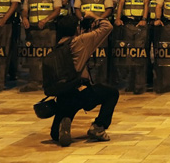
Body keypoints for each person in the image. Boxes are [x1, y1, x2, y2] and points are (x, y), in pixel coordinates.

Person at [50, 15, 119, 147]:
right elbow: (107, 27)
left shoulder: (58, 45)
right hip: (81, 93)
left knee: (54, 135)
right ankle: (98, 127)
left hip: (63, 95)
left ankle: (65, 118)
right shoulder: (80, 41)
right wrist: (93, 16)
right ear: (76, 28)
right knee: (112, 93)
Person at [113, 0, 152, 94]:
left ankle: (139, 85)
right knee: (128, 55)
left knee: (140, 55)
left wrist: (144, 19)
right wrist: (118, 18)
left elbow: (146, 3)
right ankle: (130, 83)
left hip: (140, 23)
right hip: (128, 23)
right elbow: (121, 2)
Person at [20, 0, 62, 92]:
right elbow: (25, 9)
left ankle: (49, 81)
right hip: (33, 30)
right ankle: (34, 81)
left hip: (49, 29)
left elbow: (57, 10)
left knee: (49, 57)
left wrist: (46, 20)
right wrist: (24, 18)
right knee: (33, 57)